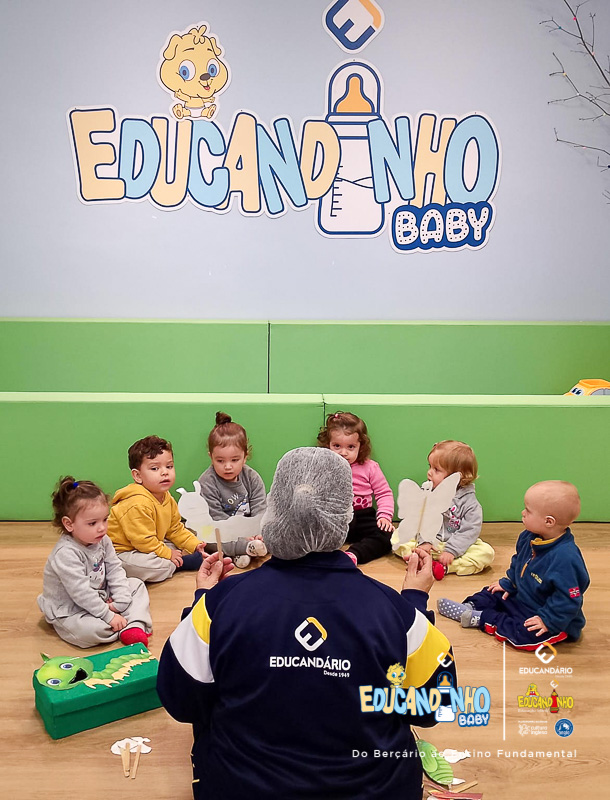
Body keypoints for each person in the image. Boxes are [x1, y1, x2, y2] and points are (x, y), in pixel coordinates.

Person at [157, 447, 457, 800]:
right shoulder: (395, 612)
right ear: (345, 517)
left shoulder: (220, 605)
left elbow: (181, 700)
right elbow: (435, 706)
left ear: (274, 510)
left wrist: (203, 601)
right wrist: (414, 601)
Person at [437, 480, 589, 650]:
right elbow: (518, 562)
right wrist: (509, 583)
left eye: (528, 511)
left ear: (549, 521)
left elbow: (569, 598)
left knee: (524, 634)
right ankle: (469, 607)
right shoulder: (528, 536)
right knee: (493, 591)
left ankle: (483, 618)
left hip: (547, 615)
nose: (523, 513)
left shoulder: (566, 558)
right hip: (521, 596)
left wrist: (547, 620)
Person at [38, 477, 152, 648]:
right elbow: (81, 593)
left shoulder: (103, 539)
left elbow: (114, 568)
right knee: (91, 631)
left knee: (136, 585)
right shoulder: (66, 554)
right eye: (92, 523)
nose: (102, 528)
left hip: (101, 595)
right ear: (69, 524)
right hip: (72, 608)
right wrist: (108, 615)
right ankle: (126, 622)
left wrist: (121, 600)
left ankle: (133, 627)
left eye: (105, 519)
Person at [108, 436, 207, 582]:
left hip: (147, 544)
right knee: (154, 567)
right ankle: (179, 564)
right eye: (155, 468)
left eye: (169, 466)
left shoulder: (166, 497)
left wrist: (194, 545)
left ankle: (178, 559)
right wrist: (168, 554)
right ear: (137, 476)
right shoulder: (137, 503)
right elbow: (143, 541)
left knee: (178, 541)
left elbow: (175, 529)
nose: (164, 472)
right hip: (123, 552)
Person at [394, 441, 494, 575]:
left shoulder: (470, 504)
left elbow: (469, 530)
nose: (429, 473)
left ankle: (445, 566)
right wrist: (425, 541)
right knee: (397, 537)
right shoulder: (428, 492)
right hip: (431, 543)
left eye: (436, 470)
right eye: (430, 466)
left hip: (456, 546)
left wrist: (451, 550)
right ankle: (422, 558)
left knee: (486, 554)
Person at [317, 411, 394, 564]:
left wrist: (384, 516)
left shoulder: (370, 467)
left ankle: (354, 554)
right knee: (311, 531)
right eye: (337, 446)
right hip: (334, 516)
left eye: (351, 447)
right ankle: (320, 559)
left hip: (363, 516)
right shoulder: (324, 466)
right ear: (328, 445)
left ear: (361, 446)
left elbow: (384, 493)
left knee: (386, 535)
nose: (343, 453)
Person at [197, 412, 267, 568]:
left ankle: (249, 548)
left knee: (274, 525)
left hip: (250, 530)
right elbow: (215, 517)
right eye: (220, 461)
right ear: (211, 457)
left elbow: (260, 508)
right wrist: (242, 535)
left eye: (235, 460)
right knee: (208, 537)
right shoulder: (207, 482)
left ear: (245, 457)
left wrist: (257, 531)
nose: (228, 466)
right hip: (221, 529)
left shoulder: (251, 477)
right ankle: (246, 549)